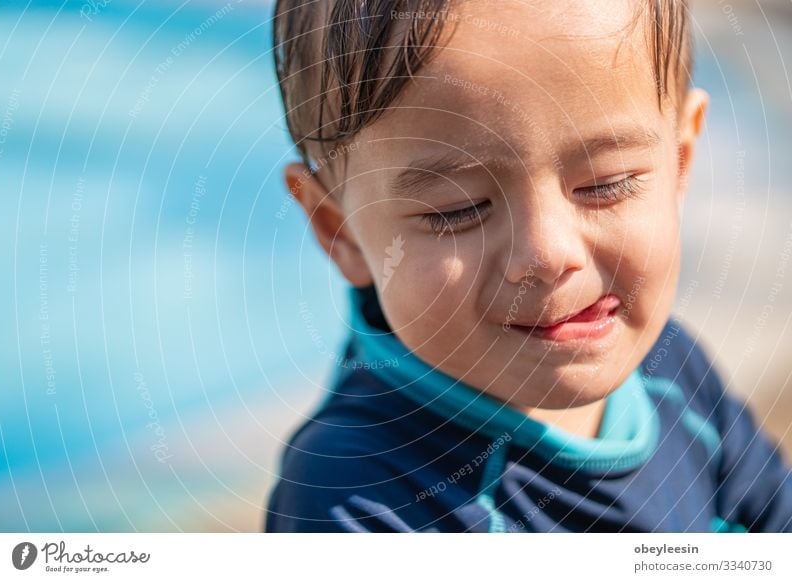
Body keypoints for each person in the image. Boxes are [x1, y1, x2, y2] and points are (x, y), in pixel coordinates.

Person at [265, 0, 792, 532]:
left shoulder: (670, 368)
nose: (546, 254)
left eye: (606, 184)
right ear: (341, 232)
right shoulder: (360, 500)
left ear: (680, 160)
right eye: (458, 210)